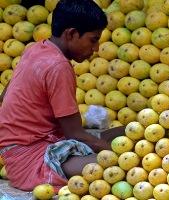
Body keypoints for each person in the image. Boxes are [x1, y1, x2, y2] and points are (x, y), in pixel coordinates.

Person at [0, 0, 125, 192]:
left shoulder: (36, 49)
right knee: (119, 165)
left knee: (118, 144)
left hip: (14, 154)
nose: (96, 48)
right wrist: (110, 149)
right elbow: (74, 134)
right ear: (71, 33)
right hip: (32, 162)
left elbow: (4, 96)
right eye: (93, 39)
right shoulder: (58, 66)